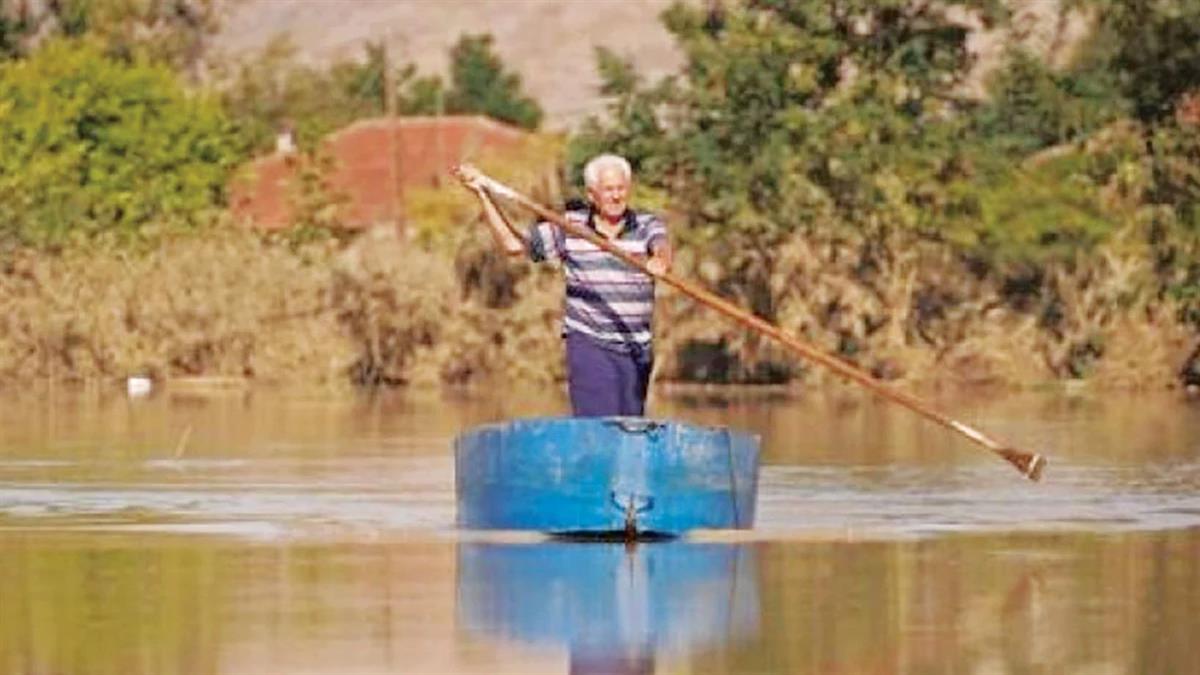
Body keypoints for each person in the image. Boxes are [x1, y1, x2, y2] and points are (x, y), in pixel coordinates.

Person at [453, 155, 672, 417]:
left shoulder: (647, 224)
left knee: (632, 426)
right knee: (601, 424)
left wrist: (660, 260)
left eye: (621, 189)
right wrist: (483, 194)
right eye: (608, 190)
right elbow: (514, 245)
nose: (616, 196)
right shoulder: (570, 226)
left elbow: (662, 247)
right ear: (592, 194)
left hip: (637, 346)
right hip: (591, 341)